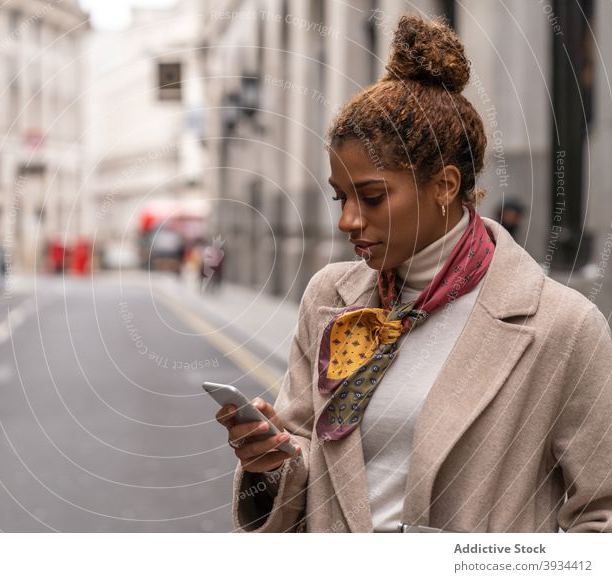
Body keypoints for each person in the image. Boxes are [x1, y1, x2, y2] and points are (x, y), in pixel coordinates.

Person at [215, 15, 612, 533]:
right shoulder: (328, 296)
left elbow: (599, 515)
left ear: (445, 185)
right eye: (341, 198)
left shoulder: (563, 326)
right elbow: (308, 465)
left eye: (373, 197)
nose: (347, 221)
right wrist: (270, 464)